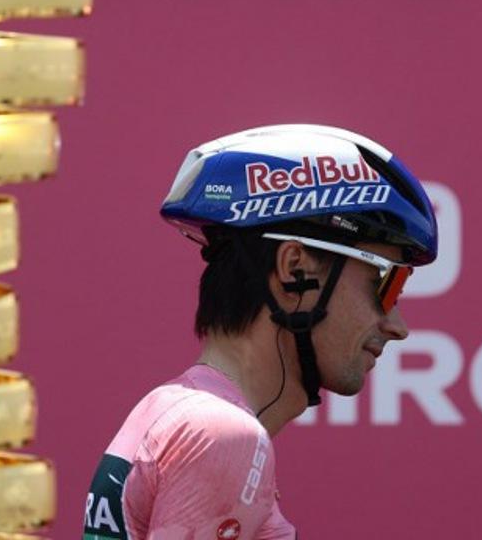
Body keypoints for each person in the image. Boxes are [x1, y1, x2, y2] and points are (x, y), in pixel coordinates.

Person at [82, 124, 439, 539]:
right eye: (387, 284)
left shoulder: (171, 407)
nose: (398, 327)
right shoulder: (223, 434)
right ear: (295, 270)